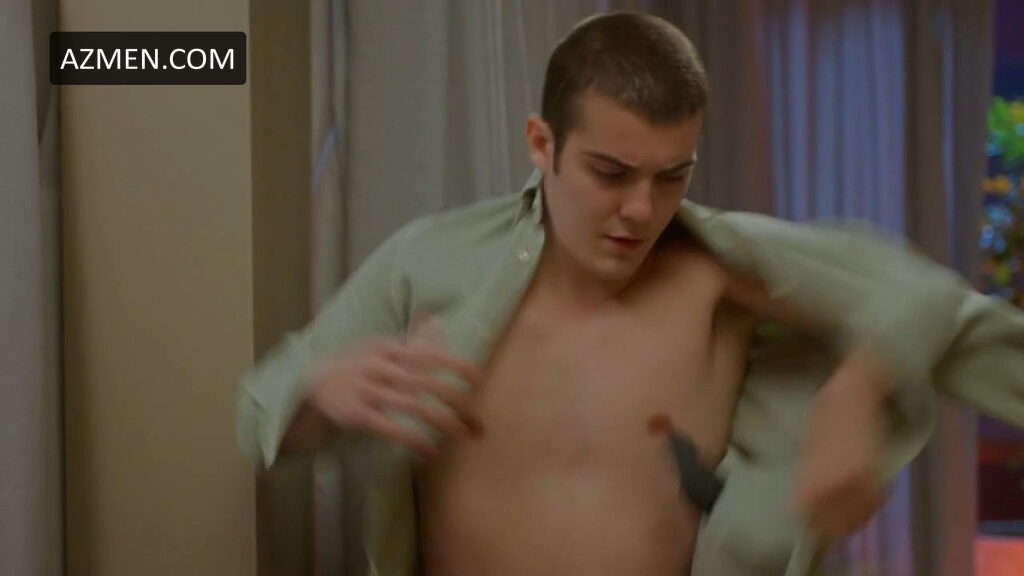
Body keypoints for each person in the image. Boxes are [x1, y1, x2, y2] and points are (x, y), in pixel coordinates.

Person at [237, 11, 1024, 576]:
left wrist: (861, 383)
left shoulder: (718, 276)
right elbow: (260, 417)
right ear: (542, 143)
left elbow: (923, 297)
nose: (642, 211)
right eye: (610, 174)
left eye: (671, 176)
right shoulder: (429, 263)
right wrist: (319, 389)